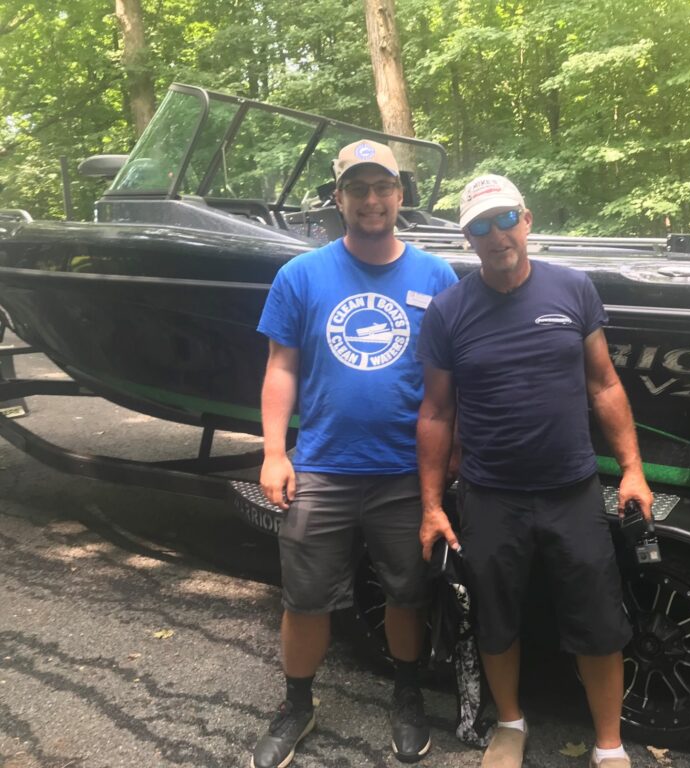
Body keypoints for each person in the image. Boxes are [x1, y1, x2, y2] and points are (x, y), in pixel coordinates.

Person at [416, 174, 654, 768]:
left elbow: (604, 384)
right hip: (490, 495)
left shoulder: (572, 288)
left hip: (572, 491)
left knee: (599, 623)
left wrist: (632, 470)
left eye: (505, 219)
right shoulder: (448, 312)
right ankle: (511, 724)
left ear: (525, 220)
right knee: (496, 620)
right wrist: (432, 506)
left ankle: (609, 745)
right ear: (468, 238)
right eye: (481, 225)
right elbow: (437, 412)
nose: (496, 234)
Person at [252, 139, 458, 768]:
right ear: (338, 198)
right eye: (358, 189)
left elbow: (452, 381)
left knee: (408, 592)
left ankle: (406, 695)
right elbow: (281, 367)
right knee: (305, 598)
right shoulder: (300, 275)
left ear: (400, 196)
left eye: (383, 187)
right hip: (321, 466)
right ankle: (297, 704)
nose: (372, 200)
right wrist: (274, 452)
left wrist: (452, 458)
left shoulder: (438, 277)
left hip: (406, 471)